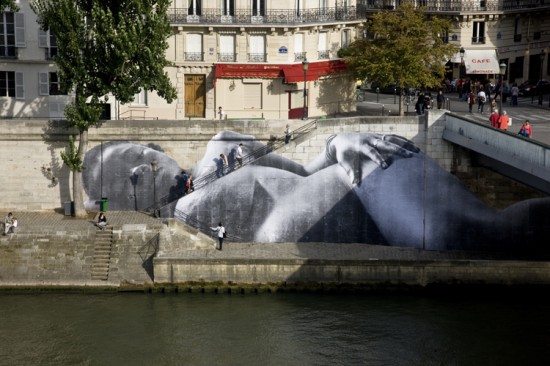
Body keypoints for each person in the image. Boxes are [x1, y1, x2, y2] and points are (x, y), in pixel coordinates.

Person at [81, 132, 550, 254]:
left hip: (368, 172)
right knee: (486, 235)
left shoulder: (216, 152)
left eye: (140, 152)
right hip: (370, 187)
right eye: (128, 173)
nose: (144, 164)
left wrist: (336, 143)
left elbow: (301, 168)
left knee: (487, 234)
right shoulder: (187, 206)